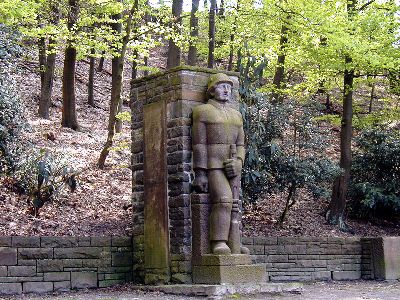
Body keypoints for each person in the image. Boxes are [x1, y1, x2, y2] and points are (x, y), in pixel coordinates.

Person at [192, 73, 248, 255]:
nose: (226, 90)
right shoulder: (203, 112)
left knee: (235, 205)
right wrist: (200, 172)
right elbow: (199, 144)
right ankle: (219, 242)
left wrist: (239, 161)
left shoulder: (236, 115)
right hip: (213, 166)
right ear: (211, 90)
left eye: (229, 87)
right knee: (224, 200)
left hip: (233, 167)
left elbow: (241, 144)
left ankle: (235, 243)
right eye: (222, 86)